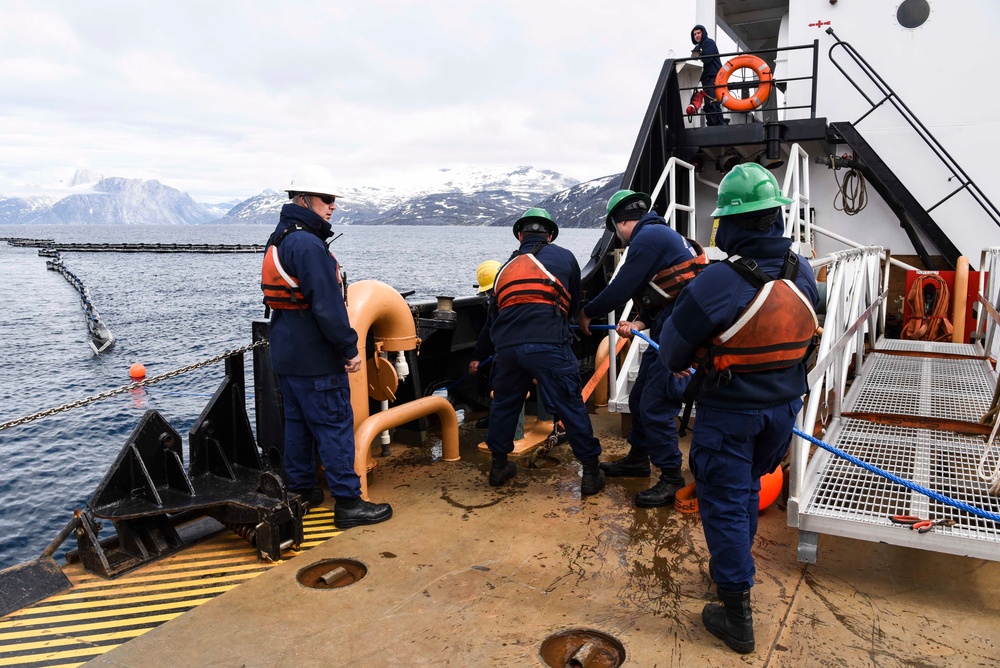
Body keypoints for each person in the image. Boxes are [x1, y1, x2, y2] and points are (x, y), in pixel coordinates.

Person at [657, 163, 819, 654]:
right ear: (775, 219)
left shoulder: (719, 282)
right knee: (745, 489)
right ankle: (734, 572)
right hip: (781, 411)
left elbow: (671, 353)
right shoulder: (803, 271)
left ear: (734, 223)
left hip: (731, 415)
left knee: (724, 503)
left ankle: (736, 615)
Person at [261, 164, 392, 530]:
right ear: (304, 199)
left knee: (298, 427)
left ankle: (302, 491)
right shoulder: (307, 244)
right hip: (316, 357)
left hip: (287, 353)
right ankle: (349, 504)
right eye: (327, 199)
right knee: (334, 426)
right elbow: (327, 305)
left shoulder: (282, 237)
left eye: (333, 200)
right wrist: (349, 347)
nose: (333, 206)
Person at [577, 190, 707, 508]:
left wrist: (587, 312)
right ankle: (637, 458)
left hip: (677, 338)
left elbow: (620, 288)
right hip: (665, 330)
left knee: (654, 405)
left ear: (620, 223)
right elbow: (661, 291)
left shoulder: (647, 237)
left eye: (616, 230)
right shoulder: (660, 234)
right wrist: (639, 323)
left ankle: (671, 477)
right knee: (637, 397)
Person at [484, 208, 605, 496]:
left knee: (504, 406)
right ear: (550, 235)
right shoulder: (564, 257)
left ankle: (499, 467)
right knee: (570, 404)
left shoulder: (504, 270)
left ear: (520, 235)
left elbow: (493, 318)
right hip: (548, 344)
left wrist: (481, 354)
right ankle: (590, 472)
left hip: (507, 349)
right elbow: (574, 301)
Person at [469, 260, 501, 428]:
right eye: (488, 292)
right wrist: (477, 357)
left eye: (490, 291)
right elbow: (488, 329)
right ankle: (495, 417)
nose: (490, 295)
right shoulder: (494, 305)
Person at [691, 24, 725, 126]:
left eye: (698, 33)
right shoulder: (697, 48)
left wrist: (698, 56)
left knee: (712, 102)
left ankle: (718, 125)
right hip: (705, 79)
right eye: (694, 34)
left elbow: (707, 59)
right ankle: (712, 123)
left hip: (713, 77)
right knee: (708, 103)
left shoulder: (709, 43)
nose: (696, 35)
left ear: (703, 33)